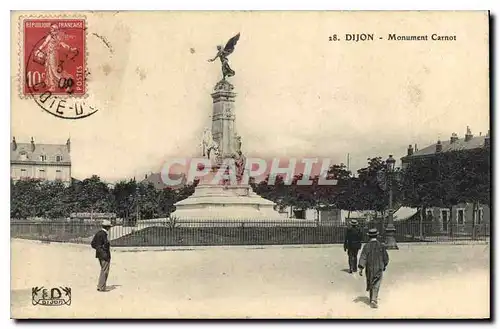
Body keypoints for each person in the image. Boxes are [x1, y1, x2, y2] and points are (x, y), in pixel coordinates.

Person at [358, 228, 389, 308]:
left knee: (371, 281)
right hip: (379, 267)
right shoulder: (381, 245)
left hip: (369, 267)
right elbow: (385, 257)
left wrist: (361, 267)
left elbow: (363, 257)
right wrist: (384, 265)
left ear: (369, 236)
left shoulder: (366, 246)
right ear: (377, 236)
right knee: (377, 283)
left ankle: (372, 298)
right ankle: (374, 300)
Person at [91, 220, 113, 292]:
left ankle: (101, 286)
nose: (109, 228)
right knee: (105, 271)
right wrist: (103, 250)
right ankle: (101, 287)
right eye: (109, 227)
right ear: (107, 227)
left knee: (103, 270)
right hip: (105, 255)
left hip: (99, 254)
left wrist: (98, 249)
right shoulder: (104, 234)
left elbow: (93, 244)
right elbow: (106, 244)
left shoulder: (98, 233)